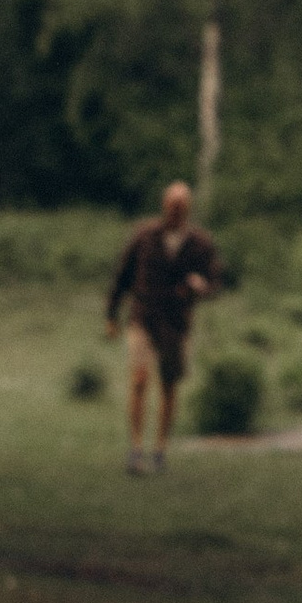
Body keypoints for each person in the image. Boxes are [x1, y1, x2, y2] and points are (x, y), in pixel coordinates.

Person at [105, 179, 225, 473]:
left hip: (176, 321)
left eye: (180, 207)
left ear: (188, 209)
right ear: (163, 205)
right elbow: (123, 275)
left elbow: (215, 283)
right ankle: (135, 449)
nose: (174, 211)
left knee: (169, 385)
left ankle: (160, 450)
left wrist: (202, 287)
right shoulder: (144, 235)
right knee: (139, 378)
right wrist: (111, 314)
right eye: (171, 205)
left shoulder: (200, 243)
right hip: (143, 316)